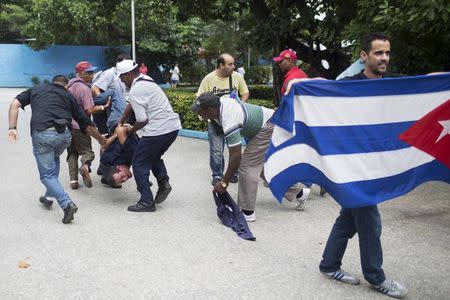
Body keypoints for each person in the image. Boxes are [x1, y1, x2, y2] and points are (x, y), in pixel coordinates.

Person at [285, 32, 408, 299]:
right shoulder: (351, 85)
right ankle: (376, 277)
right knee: (370, 219)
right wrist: (300, 85)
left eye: (387, 52)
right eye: (378, 53)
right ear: (364, 56)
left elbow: (422, 88)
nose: (384, 58)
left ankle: (329, 265)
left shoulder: (393, 85)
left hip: (376, 165)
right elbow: (322, 86)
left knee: (348, 219)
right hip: (354, 167)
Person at [7, 75, 106, 224]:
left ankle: (67, 204)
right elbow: (86, 123)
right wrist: (100, 140)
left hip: (43, 135)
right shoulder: (68, 95)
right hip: (64, 135)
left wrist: (12, 128)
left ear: (53, 82)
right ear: (65, 86)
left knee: (46, 175)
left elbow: (14, 104)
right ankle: (48, 197)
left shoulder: (36, 89)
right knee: (53, 159)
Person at [191, 92, 304, 222]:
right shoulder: (219, 104)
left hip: (267, 127)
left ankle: (247, 212)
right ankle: (299, 193)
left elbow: (235, 156)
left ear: (210, 110)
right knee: (259, 169)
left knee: (246, 166)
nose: (198, 114)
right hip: (260, 127)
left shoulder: (229, 118)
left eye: (200, 111)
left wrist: (224, 183)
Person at [115, 59, 182, 212]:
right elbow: (131, 104)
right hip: (172, 128)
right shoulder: (147, 80)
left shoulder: (136, 89)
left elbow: (142, 120)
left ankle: (146, 201)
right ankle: (163, 182)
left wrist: (130, 130)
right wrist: (121, 121)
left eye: (122, 76)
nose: (121, 79)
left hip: (157, 130)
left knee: (138, 162)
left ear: (129, 74)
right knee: (153, 156)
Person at [197, 53, 249, 186]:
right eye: (230, 64)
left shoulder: (236, 77)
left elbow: (245, 92)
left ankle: (233, 173)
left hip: (233, 121)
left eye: (233, 64)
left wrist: (240, 105)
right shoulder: (208, 79)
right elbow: (199, 99)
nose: (233, 66)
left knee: (234, 149)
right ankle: (217, 175)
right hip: (215, 122)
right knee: (216, 151)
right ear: (221, 65)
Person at [66, 61, 108, 189]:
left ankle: (73, 180)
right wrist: (102, 107)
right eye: (89, 73)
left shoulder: (69, 85)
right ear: (82, 73)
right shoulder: (84, 88)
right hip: (80, 126)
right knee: (87, 152)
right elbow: (89, 110)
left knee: (72, 152)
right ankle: (85, 166)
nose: (92, 75)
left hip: (68, 125)